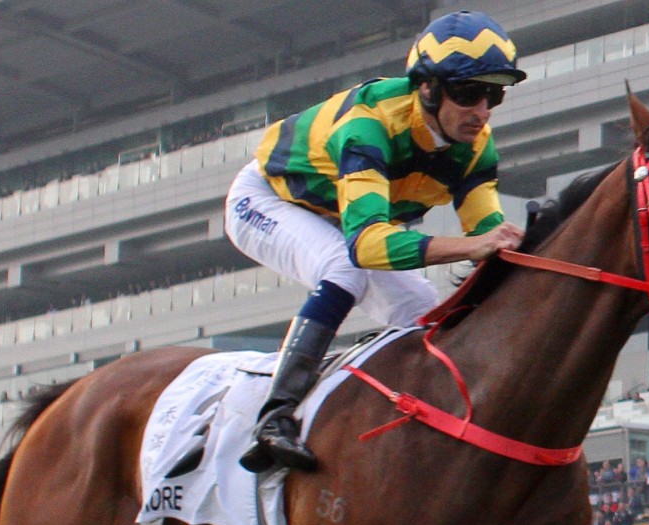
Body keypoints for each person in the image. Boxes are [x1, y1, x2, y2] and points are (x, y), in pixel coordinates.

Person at [226, 11, 528, 472]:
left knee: (422, 311)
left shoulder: (476, 146)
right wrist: (472, 247)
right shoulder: (369, 124)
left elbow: (489, 239)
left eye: (495, 94)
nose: (483, 111)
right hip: (269, 199)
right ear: (427, 89)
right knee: (343, 267)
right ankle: (275, 416)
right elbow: (366, 246)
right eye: (469, 94)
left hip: (344, 218)